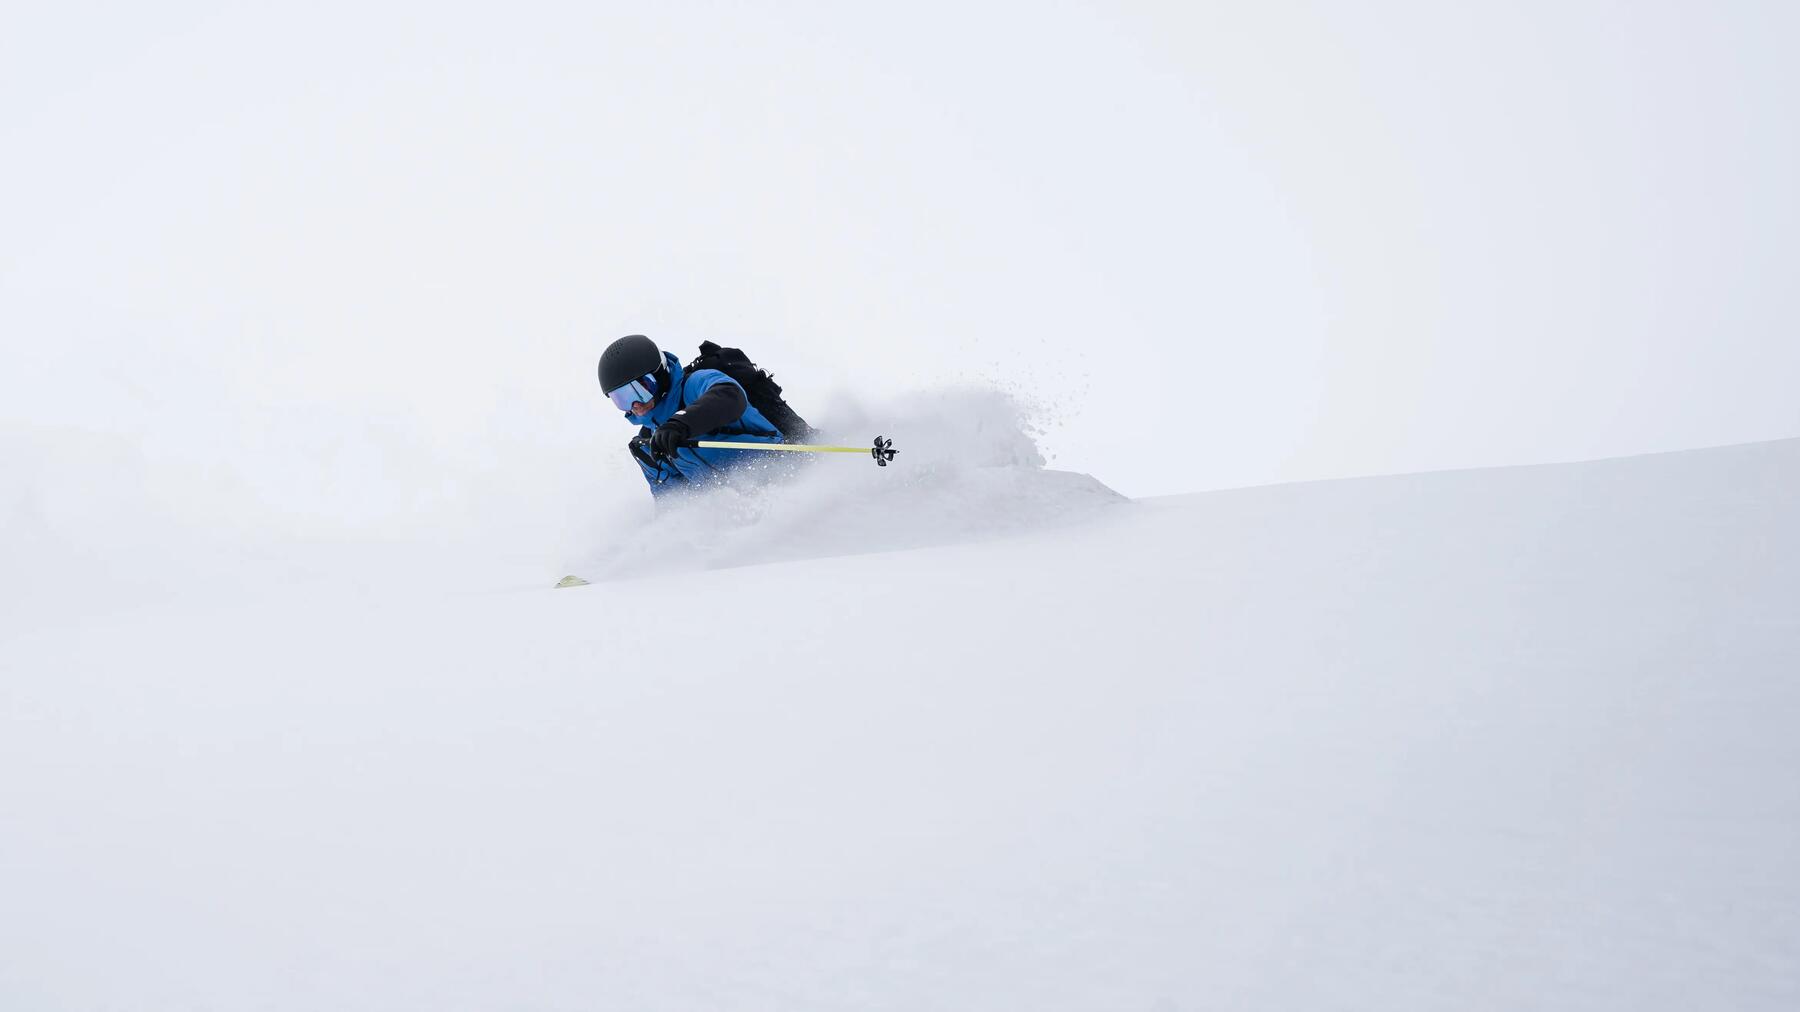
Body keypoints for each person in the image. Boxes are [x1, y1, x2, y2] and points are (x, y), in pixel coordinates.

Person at [598, 334, 785, 495]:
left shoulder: (695, 386)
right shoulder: (649, 446)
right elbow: (673, 504)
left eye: (640, 390)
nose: (635, 404)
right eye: (621, 399)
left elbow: (730, 395)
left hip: (784, 470)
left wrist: (681, 423)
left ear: (660, 375)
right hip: (744, 511)